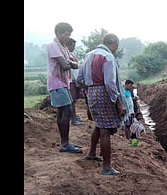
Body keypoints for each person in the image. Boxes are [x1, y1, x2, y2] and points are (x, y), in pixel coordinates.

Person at [77, 33, 127, 175]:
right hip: (103, 92)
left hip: (91, 92)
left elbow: (79, 78)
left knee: (99, 125)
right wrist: (118, 103)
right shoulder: (108, 57)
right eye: (116, 47)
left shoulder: (88, 55)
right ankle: (106, 167)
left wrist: (89, 92)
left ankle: (92, 153)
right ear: (114, 45)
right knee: (105, 130)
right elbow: (110, 83)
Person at [46, 22, 82, 154]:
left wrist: (69, 63)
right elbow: (65, 65)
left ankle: (64, 142)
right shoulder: (53, 46)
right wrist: (69, 63)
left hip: (63, 83)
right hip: (57, 83)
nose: (68, 37)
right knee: (65, 111)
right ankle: (65, 144)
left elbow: (75, 64)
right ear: (59, 33)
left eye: (69, 35)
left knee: (62, 112)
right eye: (66, 34)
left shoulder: (64, 48)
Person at [66, 38, 85, 126]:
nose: (74, 47)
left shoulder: (71, 55)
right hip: (71, 81)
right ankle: (73, 119)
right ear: (68, 45)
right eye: (72, 46)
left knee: (73, 101)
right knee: (71, 101)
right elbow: (72, 71)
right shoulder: (67, 56)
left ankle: (74, 117)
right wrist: (76, 81)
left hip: (74, 81)